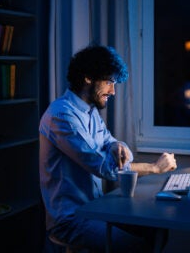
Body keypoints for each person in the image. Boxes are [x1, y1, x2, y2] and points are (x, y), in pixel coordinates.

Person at [39, 45, 177, 252]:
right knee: (137, 246)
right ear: (87, 78)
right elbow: (105, 168)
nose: (113, 91)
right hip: (71, 220)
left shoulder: (89, 111)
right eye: (108, 82)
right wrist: (155, 168)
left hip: (96, 208)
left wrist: (116, 145)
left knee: (156, 229)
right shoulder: (61, 116)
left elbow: (109, 141)